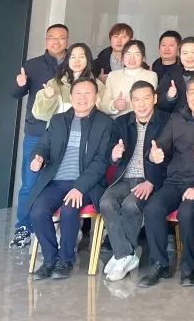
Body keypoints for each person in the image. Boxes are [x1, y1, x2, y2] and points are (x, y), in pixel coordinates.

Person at [139, 71, 194, 288]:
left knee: (187, 211)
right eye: (192, 93)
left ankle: (189, 268)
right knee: (152, 208)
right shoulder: (177, 119)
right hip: (176, 181)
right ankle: (159, 265)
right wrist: (154, 155)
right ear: (186, 95)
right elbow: (160, 147)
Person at [28, 77, 113, 280]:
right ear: (71, 96)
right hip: (55, 182)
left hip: (86, 184)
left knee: (69, 210)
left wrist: (79, 187)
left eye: (88, 93)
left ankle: (66, 260)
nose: (82, 98)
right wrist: (38, 157)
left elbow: (101, 161)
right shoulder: (58, 120)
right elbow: (43, 145)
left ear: (96, 97)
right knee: (37, 210)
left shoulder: (105, 123)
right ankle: (50, 260)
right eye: (78, 93)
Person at [100, 80, 170, 282]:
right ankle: (125, 254)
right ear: (131, 102)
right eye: (136, 99)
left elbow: (173, 158)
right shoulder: (121, 122)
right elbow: (109, 153)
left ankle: (120, 256)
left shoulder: (167, 121)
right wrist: (114, 154)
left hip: (149, 179)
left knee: (131, 205)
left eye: (146, 98)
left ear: (155, 99)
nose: (141, 104)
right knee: (106, 202)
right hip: (124, 178)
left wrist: (152, 182)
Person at [10, 23, 70, 248]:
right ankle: (23, 227)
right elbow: (16, 93)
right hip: (37, 131)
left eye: (61, 37)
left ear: (67, 40)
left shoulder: (74, 63)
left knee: (61, 180)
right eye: (52, 37)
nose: (56, 41)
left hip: (66, 133)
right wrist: (20, 85)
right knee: (30, 182)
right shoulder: (33, 65)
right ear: (46, 40)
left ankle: (55, 228)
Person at [32, 43, 103, 122]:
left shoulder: (98, 85)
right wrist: (47, 98)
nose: (77, 61)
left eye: (81, 57)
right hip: (59, 128)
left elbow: (104, 114)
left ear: (88, 60)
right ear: (67, 60)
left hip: (88, 128)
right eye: (73, 57)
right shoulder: (55, 83)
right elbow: (40, 115)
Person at [98, 40, 159, 118]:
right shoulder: (113, 75)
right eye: (128, 54)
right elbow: (103, 105)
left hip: (141, 120)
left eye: (137, 54)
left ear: (143, 57)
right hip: (117, 121)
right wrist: (114, 105)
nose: (132, 58)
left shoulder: (151, 76)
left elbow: (150, 103)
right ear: (122, 57)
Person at [156, 36, 194, 113]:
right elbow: (158, 104)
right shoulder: (170, 75)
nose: (189, 56)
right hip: (176, 119)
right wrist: (169, 97)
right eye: (185, 53)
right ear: (179, 55)